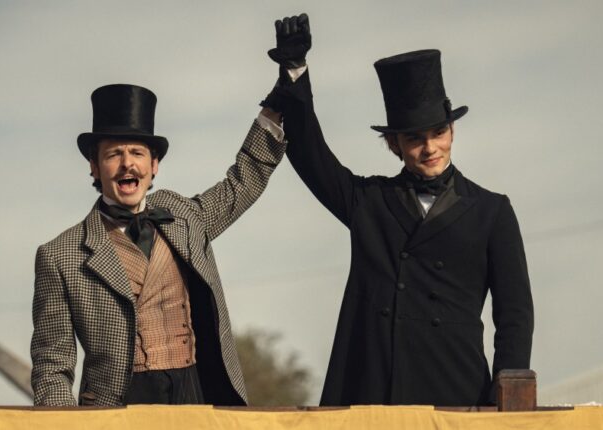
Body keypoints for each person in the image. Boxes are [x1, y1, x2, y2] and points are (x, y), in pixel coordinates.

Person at [262, 14, 534, 406]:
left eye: (438, 133)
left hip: (458, 392)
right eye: (415, 138)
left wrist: (508, 397)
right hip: (374, 392)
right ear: (394, 144)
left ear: (452, 131)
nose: (430, 148)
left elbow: (515, 317)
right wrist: (294, 69)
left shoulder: (493, 211)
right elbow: (309, 154)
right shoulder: (369, 201)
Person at [31, 83, 285, 406]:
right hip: (116, 411)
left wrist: (276, 107)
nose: (127, 164)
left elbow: (240, 184)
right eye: (114, 154)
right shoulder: (60, 255)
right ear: (95, 166)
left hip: (195, 394)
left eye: (137, 153)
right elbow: (52, 367)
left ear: (153, 166)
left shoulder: (184, 216)